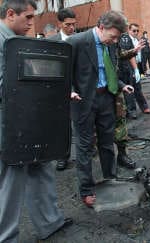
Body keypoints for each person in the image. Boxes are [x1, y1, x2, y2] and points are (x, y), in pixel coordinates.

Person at [0, 1, 73, 241]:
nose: (32, 24)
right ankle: (5, 236)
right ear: (10, 14)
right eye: (28, 17)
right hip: (9, 124)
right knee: (11, 179)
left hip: (33, 118)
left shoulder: (17, 41)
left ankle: (49, 222)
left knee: (41, 166)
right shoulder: (3, 42)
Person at [67, 10, 135, 207]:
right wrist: (69, 90)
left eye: (117, 38)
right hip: (83, 101)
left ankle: (110, 179)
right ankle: (86, 189)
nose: (115, 42)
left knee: (107, 143)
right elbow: (64, 72)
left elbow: (109, 70)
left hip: (106, 97)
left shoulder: (110, 44)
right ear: (101, 27)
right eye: (113, 36)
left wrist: (122, 85)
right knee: (85, 146)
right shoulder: (76, 42)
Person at [48, 7, 77, 171]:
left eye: (74, 24)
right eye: (68, 25)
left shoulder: (80, 39)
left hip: (79, 87)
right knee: (62, 124)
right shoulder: (53, 41)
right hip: (59, 89)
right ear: (60, 24)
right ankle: (63, 156)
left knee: (83, 121)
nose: (71, 28)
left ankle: (88, 149)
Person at [119, 23, 150, 119]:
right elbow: (130, 56)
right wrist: (135, 69)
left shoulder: (136, 40)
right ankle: (131, 111)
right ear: (129, 30)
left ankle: (144, 107)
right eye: (134, 30)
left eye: (137, 30)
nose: (136, 32)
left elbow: (141, 55)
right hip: (128, 68)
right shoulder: (125, 39)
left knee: (138, 88)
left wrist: (142, 68)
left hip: (137, 66)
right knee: (130, 90)